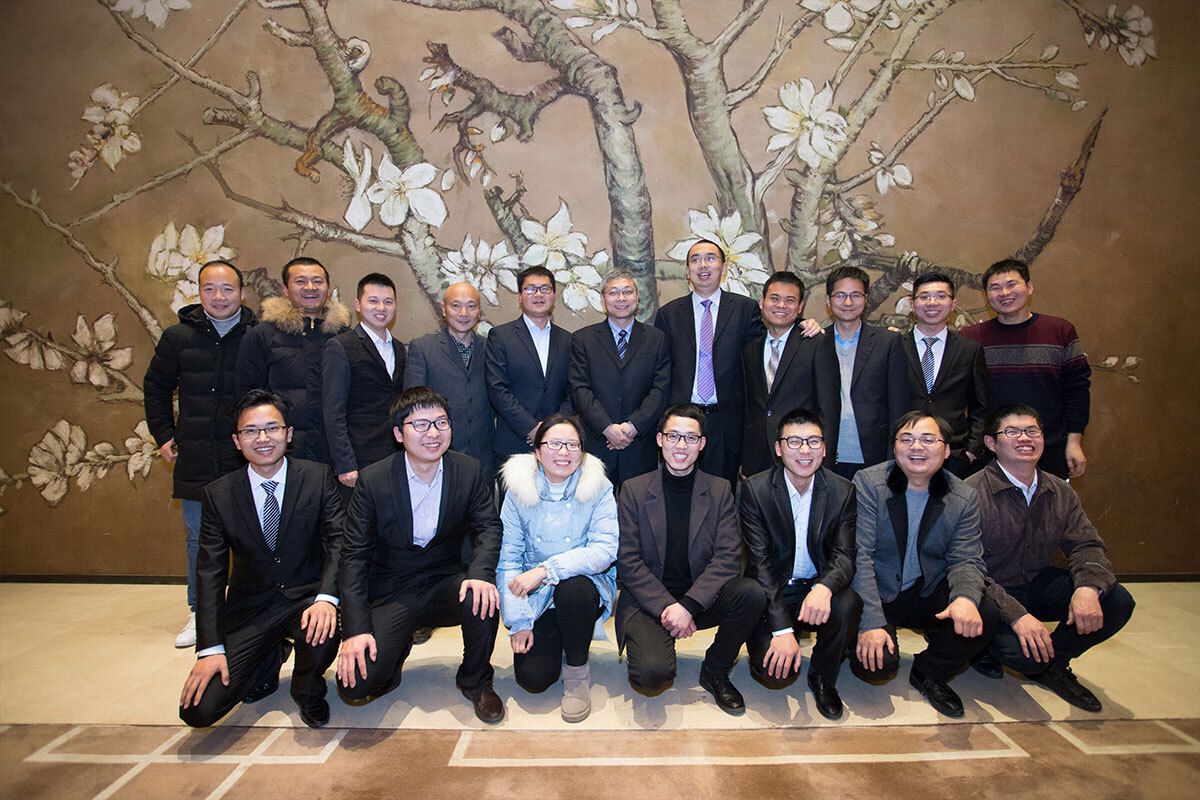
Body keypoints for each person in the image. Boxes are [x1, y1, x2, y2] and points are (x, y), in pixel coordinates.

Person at [335, 387, 506, 723]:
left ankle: (476, 680)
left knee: (481, 595)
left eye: (441, 423)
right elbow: (352, 556)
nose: (433, 433)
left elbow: (488, 526)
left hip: (443, 582)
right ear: (399, 434)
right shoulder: (373, 480)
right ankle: (397, 647)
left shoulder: (467, 470)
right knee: (356, 686)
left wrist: (480, 574)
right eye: (421, 424)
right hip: (391, 589)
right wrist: (355, 629)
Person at [178, 389, 343, 729]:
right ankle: (270, 655)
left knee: (323, 630)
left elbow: (340, 542)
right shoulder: (219, 494)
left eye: (272, 428)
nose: (263, 438)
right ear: (237, 441)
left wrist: (327, 598)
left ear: (289, 433)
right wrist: (210, 649)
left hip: (305, 598)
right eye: (251, 431)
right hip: (250, 608)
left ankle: (308, 689)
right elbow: (210, 574)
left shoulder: (317, 477)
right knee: (199, 711)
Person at [966, 403, 1134, 711]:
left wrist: (1087, 587)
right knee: (1025, 657)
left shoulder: (1060, 491)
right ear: (991, 443)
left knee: (1116, 600)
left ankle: (1054, 663)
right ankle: (991, 648)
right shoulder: (971, 493)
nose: (1025, 438)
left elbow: (1087, 544)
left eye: (1032, 431)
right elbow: (968, 568)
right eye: (1012, 432)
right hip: (991, 594)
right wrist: (1016, 616)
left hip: (1037, 584)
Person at [616, 404, 766, 714]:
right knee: (652, 675)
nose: (681, 445)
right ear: (660, 440)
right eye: (673, 436)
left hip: (701, 599)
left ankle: (716, 669)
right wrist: (668, 607)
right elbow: (628, 561)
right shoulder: (633, 490)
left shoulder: (720, 490)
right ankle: (658, 641)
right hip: (649, 600)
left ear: (702, 444)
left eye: (690, 437)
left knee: (750, 593)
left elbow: (727, 558)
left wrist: (688, 606)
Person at [849, 411, 1001, 718]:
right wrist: (871, 622)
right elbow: (859, 555)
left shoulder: (963, 496)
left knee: (985, 610)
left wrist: (965, 598)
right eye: (906, 439)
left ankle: (929, 671)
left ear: (946, 451)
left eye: (928, 440)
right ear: (895, 447)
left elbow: (966, 558)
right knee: (877, 667)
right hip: (876, 592)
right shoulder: (869, 483)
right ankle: (867, 634)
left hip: (924, 591)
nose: (916, 447)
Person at [144, 260, 257, 648]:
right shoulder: (178, 337)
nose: (219, 296)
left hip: (245, 455)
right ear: (199, 293)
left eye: (227, 289)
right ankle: (201, 613)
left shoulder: (257, 336)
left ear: (242, 294)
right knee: (199, 539)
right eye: (210, 289)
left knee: (253, 536)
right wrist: (163, 434)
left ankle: (249, 610)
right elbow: (156, 387)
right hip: (195, 452)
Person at [740, 408, 861, 720]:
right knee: (775, 674)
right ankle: (783, 634)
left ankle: (823, 677)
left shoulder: (842, 490)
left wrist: (824, 587)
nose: (804, 450)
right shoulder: (755, 490)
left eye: (813, 441)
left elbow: (845, 555)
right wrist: (782, 629)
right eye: (794, 442)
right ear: (779, 448)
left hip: (816, 590)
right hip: (775, 591)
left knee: (847, 602)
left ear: (824, 447)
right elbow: (760, 565)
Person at [497, 414, 618, 722]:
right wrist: (519, 621)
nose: (563, 452)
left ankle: (577, 672)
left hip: (581, 590)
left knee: (573, 587)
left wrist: (545, 570)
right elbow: (508, 559)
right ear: (538, 451)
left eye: (572, 445)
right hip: (536, 597)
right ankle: (563, 637)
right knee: (534, 679)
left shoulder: (599, 487)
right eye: (554, 444)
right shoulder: (518, 490)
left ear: (582, 452)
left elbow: (604, 551)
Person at [960, 260, 1092, 479]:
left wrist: (1074, 442)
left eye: (1012, 284)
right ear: (986, 295)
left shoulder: (1060, 331)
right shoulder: (970, 338)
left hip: (1049, 450)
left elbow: (1077, 390)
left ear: (1029, 287)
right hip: (989, 453)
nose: (1005, 293)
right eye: (995, 288)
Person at [654, 239, 765, 485]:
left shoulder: (745, 309)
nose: (703, 265)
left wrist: (802, 324)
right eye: (695, 260)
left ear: (723, 268)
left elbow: (763, 355)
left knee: (720, 494)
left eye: (710, 258)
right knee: (678, 491)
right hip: (681, 421)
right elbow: (659, 371)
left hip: (726, 423)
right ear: (687, 271)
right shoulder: (668, 314)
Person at [237, 257, 352, 464]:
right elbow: (247, 396)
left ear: (328, 289)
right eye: (300, 281)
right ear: (285, 289)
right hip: (283, 452)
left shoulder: (345, 336)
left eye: (317, 281)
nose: (310, 287)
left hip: (334, 452)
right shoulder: (262, 335)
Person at [569, 269, 671, 490]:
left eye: (628, 291)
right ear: (602, 299)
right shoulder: (583, 339)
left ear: (637, 297)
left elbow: (660, 389)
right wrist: (607, 428)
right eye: (614, 292)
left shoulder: (656, 339)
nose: (621, 298)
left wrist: (633, 426)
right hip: (597, 443)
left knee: (639, 506)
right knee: (594, 505)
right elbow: (579, 389)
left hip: (639, 444)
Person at [815, 265, 908, 479]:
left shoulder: (888, 342)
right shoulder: (816, 342)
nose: (848, 302)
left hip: (874, 455)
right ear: (828, 300)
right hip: (826, 455)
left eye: (855, 295)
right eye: (840, 295)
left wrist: (894, 457)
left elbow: (898, 407)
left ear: (865, 299)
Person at [322, 273, 406, 500]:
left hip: (394, 456)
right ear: (358, 305)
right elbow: (333, 411)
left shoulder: (399, 348)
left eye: (388, 301)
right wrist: (345, 463)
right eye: (373, 301)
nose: (381, 308)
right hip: (358, 460)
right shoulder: (341, 346)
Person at [404, 282, 496, 483]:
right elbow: (412, 407)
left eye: (471, 306)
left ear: (479, 311)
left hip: (483, 460)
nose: (464, 313)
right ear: (444, 309)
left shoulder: (491, 348)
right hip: (438, 457)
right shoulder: (423, 348)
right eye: (456, 306)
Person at [900, 273, 988, 478]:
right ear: (912, 304)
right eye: (924, 297)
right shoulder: (894, 346)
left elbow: (980, 407)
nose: (932, 303)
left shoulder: (970, 349)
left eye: (941, 296)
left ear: (953, 304)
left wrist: (971, 452)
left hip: (954, 454)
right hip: (905, 452)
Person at [485, 266, 574, 468]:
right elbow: (497, 389)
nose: (538, 294)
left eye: (545, 289)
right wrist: (531, 428)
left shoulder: (568, 340)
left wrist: (552, 429)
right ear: (520, 296)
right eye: (531, 289)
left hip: (559, 444)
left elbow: (572, 391)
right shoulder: (500, 336)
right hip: (514, 443)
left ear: (554, 295)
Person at [741, 271, 822, 477]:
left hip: (801, 453)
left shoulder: (816, 344)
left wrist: (824, 460)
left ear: (800, 306)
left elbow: (827, 409)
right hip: (757, 456)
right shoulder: (750, 349)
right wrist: (744, 458)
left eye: (790, 300)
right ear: (762, 302)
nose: (781, 305)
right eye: (775, 298)